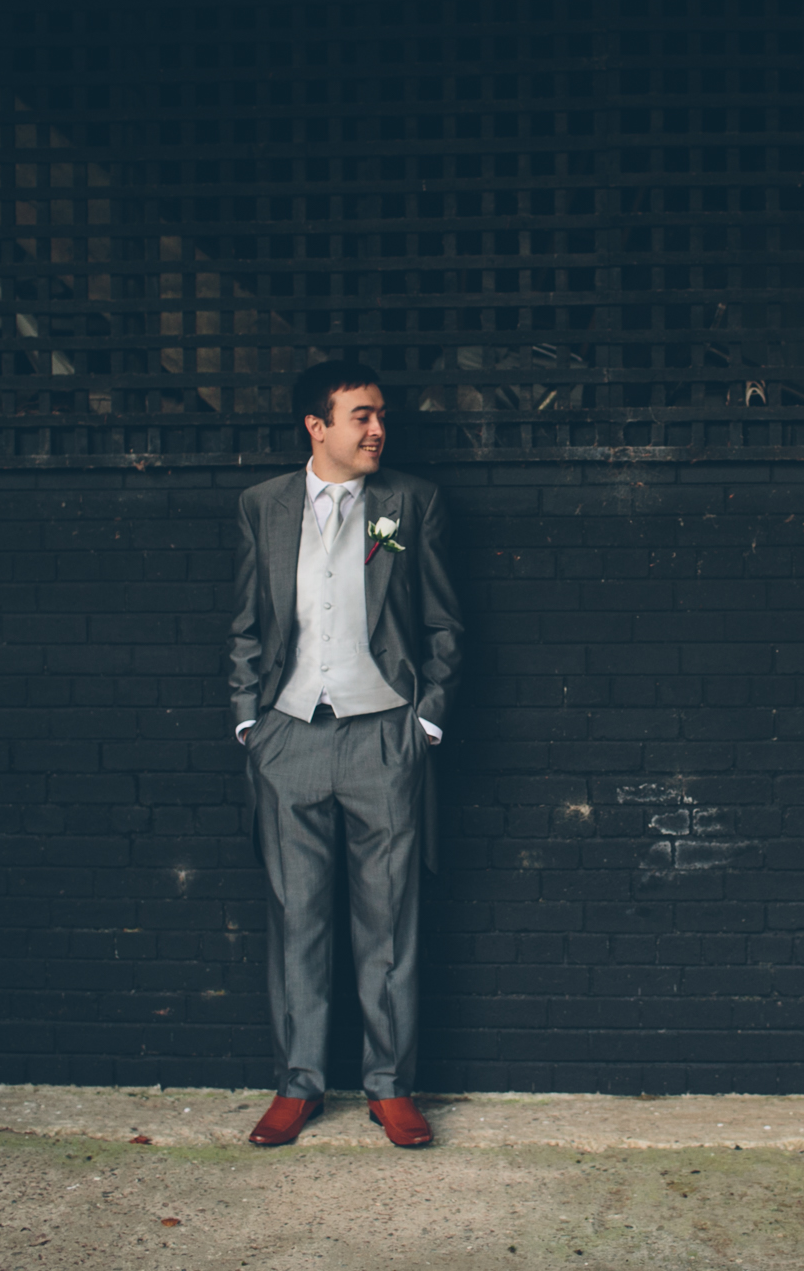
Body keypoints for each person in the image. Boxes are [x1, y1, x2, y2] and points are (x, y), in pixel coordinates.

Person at [227, 358, 463, 1148]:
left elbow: (442, 624)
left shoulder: (409, 502)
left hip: (382, 737)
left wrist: (424, 723)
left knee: (387, 920)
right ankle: (298, 1085)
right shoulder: (262, 505)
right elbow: (248, 625)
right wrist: (248, 724)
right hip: (289, 734)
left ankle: (389, 1086)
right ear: (316, 426)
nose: (377, 430)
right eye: (361, 416)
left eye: (381, 415)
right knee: (296, 917)